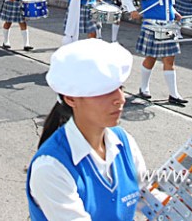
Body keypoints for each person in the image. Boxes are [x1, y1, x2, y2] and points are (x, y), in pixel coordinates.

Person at [27, 39, 145, 220]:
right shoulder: (50, 167)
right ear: (71, 99)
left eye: (120, 88)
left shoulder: (124, 141)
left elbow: (144, 193)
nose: (120, 99)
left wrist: (174, 204)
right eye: (104, 92)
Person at [121, 0, 187, 106]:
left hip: (168, 27)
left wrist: (175, 13)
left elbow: (168, 4)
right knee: (151, 58)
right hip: (152, 27)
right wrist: (132, 11)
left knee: (169, 59)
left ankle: (173, 94)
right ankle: (144, 88)